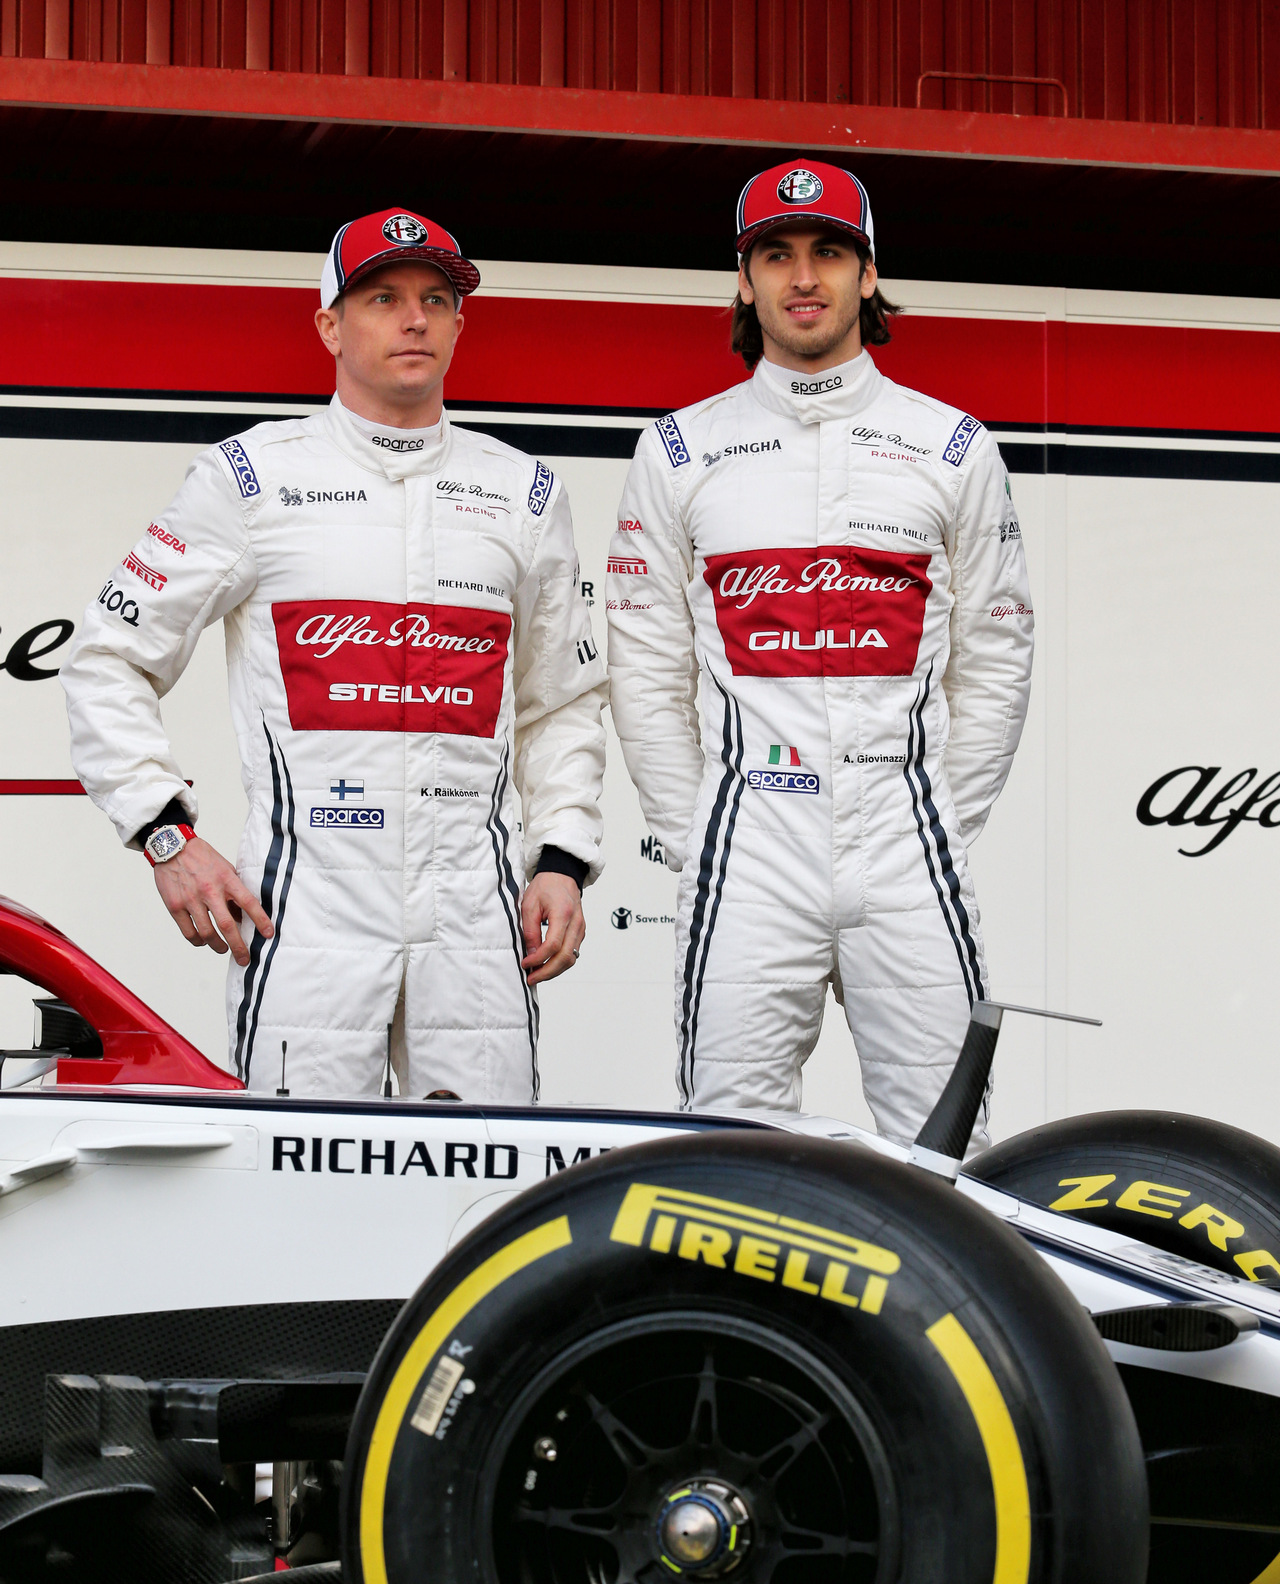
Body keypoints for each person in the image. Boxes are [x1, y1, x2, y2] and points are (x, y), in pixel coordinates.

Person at [63, 207, 606, 1102]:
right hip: (305, 920)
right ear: (329, 325)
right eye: (383, 297)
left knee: (483, 1202)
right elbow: (106, 657)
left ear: (461, 324)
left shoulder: (524, 491)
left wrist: (561, 857)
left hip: (476, 921)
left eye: (436, 299)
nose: (415, 318)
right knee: (295, 1200)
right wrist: (165, 836)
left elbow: (563, 701)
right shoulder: (249, 479)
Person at [607, 159, 1033, 1145]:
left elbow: (998, 650)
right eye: (777, 254)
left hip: (904, 833)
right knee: (732, 1146)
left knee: (945, 1145)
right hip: (749, 834)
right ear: (743, 282)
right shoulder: (678, 449)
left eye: (828, 252)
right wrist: (700, 822)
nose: (804, 276)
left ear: (867, 274)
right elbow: (642, 659)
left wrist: (929, 807)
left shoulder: (951, 445)